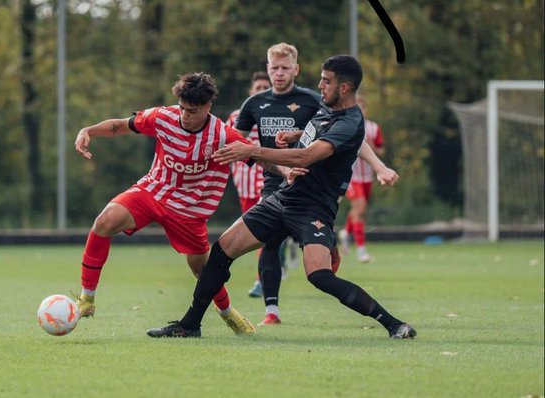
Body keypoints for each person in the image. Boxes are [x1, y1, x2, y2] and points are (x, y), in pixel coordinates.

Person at [147, 55, 416, 339]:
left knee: (320, 276)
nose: (320, 84)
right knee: (221, 251)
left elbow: (306, 156)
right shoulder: (327, 106)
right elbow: (317, 136)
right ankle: (190, 325)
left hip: (313, 208)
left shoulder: (350, 122)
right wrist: (297, 133)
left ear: (345, 88)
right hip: (282, 197)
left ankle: (393, 323)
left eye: (326, 80)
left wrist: (252, 151)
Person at [73, 72, 255, 335]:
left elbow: (257, 156)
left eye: (192, 111)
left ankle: (228, 313)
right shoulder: (162, 117)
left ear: (207, 107)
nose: (184, 115)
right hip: (153, 192)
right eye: (182, 108)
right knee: (104, 221)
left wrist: (287, 170)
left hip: (190, 211)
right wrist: (87, 130)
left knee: (203, 271)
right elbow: (120, 125)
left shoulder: (223, 135)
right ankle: (86, 299)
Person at [233, 43, 326, 326]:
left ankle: (327, 245)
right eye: (274, 68)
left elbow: (332, 135)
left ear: (296, 69)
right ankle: (271, 311)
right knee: (269, 241)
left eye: (285, 68)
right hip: (273, 182)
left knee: (315, 247)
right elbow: (238, 144)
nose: (279, 73)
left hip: (312, 183)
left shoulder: (313, 100)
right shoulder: (253, 104)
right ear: (268, 68)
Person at [225, 71, 271, 299]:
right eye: (258, 88)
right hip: (244, 186)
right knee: (255, 236)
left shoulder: (275, 115)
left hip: (269, 184)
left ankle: (260, 281)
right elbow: (223, 144)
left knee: (264, 235)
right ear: (251, 92)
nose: (262, 91)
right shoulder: (235, 117)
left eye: (266, 88)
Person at [338, 95, 385, 263]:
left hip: (367, 177)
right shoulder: (345, 126)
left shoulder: (373, 128)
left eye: (361, 107)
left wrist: (372, 149)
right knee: (360, 206)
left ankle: (345, 232)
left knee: (360, 210)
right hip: (350, 176)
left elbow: (381, 151)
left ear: (365, 109)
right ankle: (361, 250)